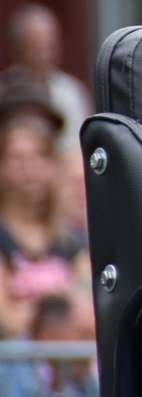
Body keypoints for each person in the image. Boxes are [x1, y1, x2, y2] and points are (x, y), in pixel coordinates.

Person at [0, 97, 90, 341]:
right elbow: (8, 321)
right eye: (17, 159)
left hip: (69, 374)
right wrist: (58, 302)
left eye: (39, 157)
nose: (29, 169)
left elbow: (89, 316)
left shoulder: (69, 239)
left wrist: (33, 306)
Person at [3, 5, 89, 152]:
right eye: (36, 46)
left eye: (50, 45)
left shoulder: (72, 92)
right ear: (18, 46)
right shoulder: (3, 89)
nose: (45, 54)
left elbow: (78, 149)